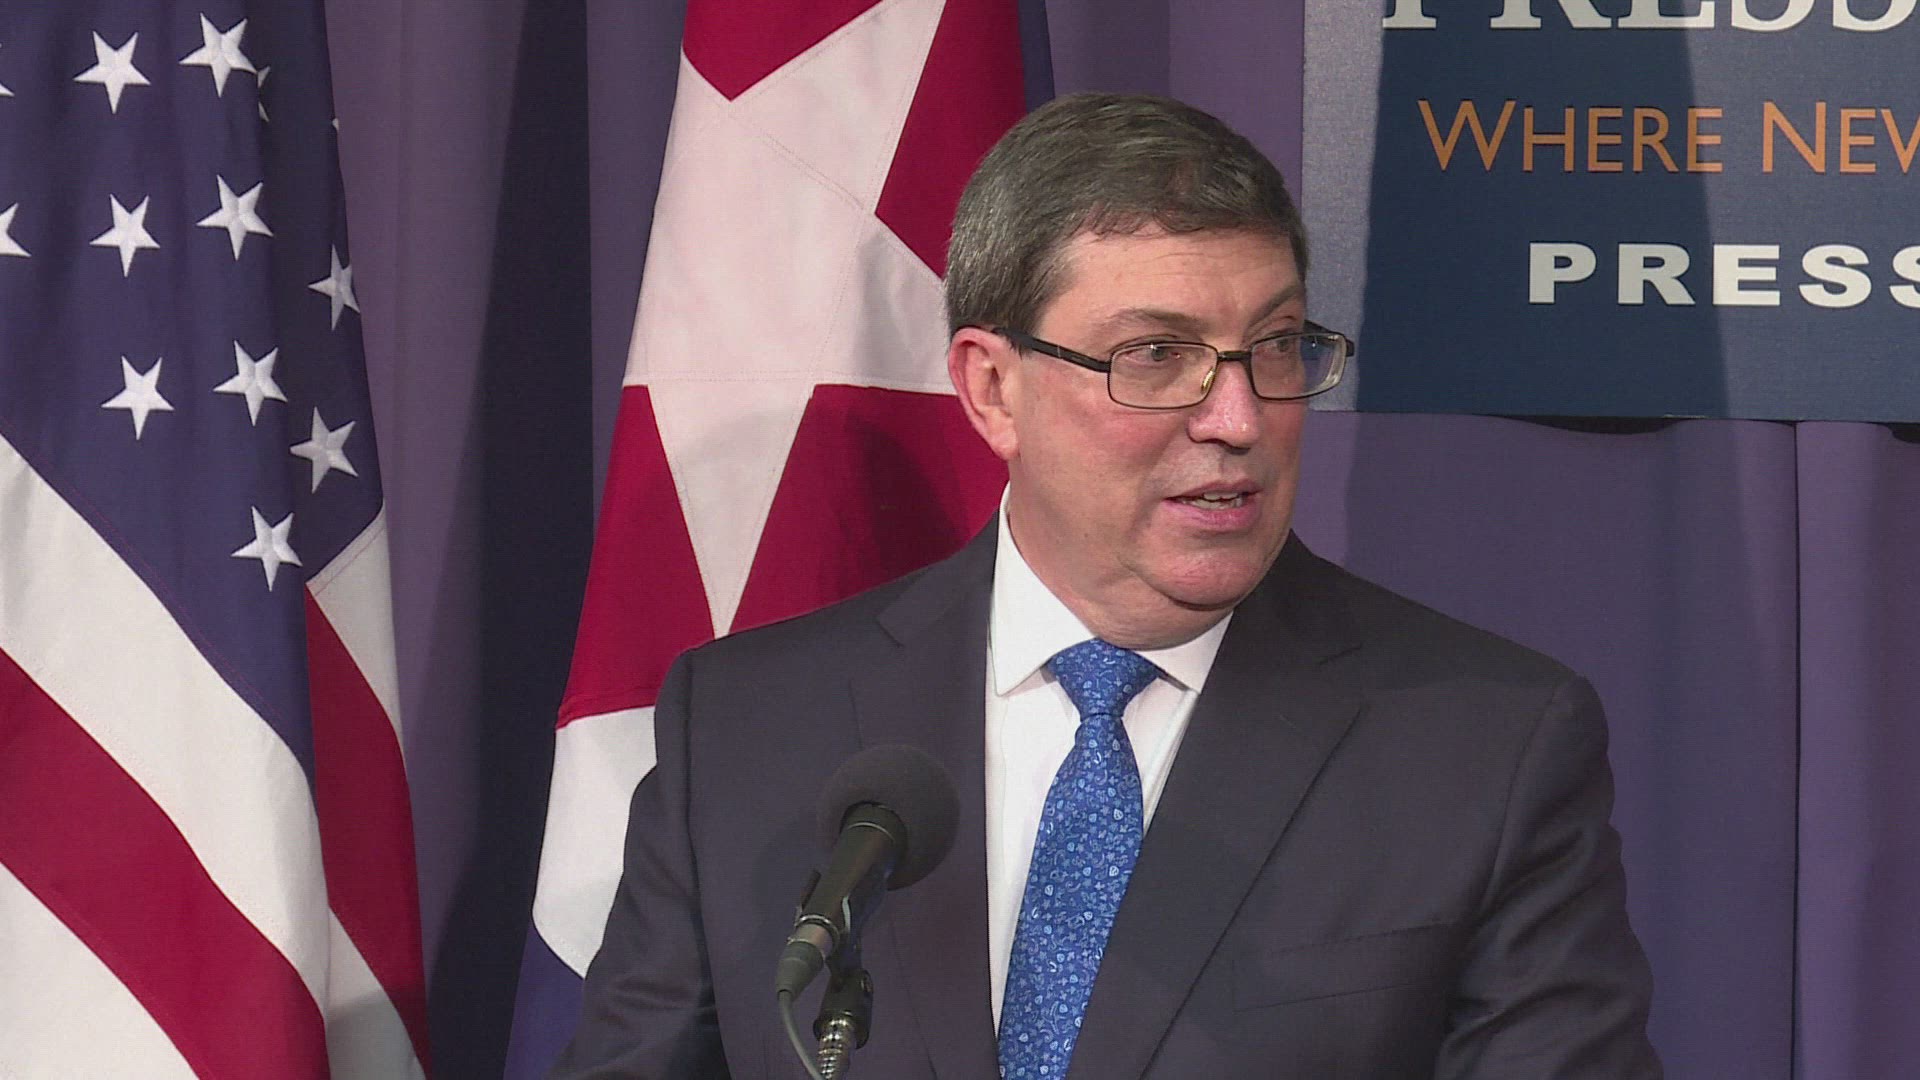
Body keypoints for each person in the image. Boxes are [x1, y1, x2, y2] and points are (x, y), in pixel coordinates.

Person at [554, 93, 1661, 1079]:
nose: (1239, 419)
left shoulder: (1484, 747)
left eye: (1277, 347)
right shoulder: (748, 726)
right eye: (1157, 356)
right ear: (993, 388)